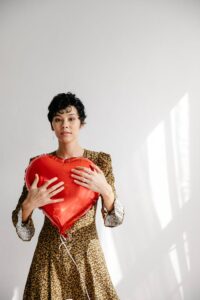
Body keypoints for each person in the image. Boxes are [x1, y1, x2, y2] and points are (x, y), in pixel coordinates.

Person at [12, 92, 125, 300]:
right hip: (48, 255)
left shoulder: (100, 162)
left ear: (81, 123)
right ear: (52, 125)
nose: (65, 125)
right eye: (58, 119)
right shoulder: (38, 165)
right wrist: (29, 205)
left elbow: (113, 220)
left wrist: (105, 189)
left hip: (88, 254)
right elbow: (24, 233)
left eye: (71, 118)